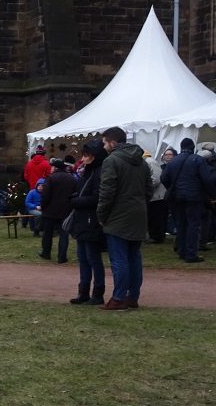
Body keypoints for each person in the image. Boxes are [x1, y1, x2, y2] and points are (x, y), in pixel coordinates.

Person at [97, 126, 151, 310]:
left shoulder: (111, 161)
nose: (104, 146)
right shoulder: (142, 161)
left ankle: (119, 297)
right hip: (138, 213)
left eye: (105, 142)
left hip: (118, 215)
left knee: (119, 259)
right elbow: (148, 189)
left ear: (112, 142)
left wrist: (102, 215)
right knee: (134, 257)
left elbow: (107, 192)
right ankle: (132, 296)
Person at [161, 137, 216, 263]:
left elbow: (164, 178)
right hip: (194, 197)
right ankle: (191, 254)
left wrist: (172, 188)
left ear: (181, 147)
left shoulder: (173, 161)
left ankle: (181, 250)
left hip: (177, 197)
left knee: (181, 224)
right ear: (193, 148)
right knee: (193, 225)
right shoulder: (197, 160)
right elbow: (208, 178)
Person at [67, 140, 108, 305]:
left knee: (93, 258)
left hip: (91, 220)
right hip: (83, 219)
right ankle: (83, 291)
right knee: (83, 257)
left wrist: (77, 201)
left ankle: (97, 292)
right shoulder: (88, 172)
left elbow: (97, 197)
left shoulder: (98, 172)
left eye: (86, 156)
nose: (83, 159)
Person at [40, 158, 77, 263]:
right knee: (64, 235)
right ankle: (62, 257)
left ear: (55, 167)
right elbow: (75, 194)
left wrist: (43, 206)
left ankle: (46, 253)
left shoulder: (51, 178)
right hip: (66, 210)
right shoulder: (72, 178)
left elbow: (45, 195)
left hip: (50, 210)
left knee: (47, 233)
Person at [144, 151, 166, 243]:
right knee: (154, 216)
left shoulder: (149, 162)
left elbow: (156, 179)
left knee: (156, 217)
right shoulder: (149, 162)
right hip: (155, 195)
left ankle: (157, 237)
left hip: (157, 195)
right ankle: (155, 235)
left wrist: (146, 188)